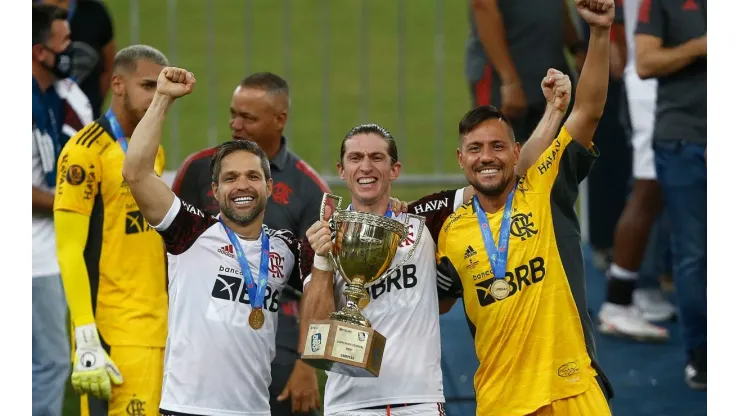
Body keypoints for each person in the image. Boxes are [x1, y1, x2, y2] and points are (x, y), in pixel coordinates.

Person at [298, 69, 573, 416]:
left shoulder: (424, 219)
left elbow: (506, 174)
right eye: (356, 158)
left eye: (377, 157)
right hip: (349, 406)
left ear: (395, 170)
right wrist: (323, 262)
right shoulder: (323, 236)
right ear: (341, 170)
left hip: (420, 402)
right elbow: (313, 335)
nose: (366, 167)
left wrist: (554, 112)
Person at [435, 1, 615, 415]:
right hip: (503, 402)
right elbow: (439, 303)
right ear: (460, 159)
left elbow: (588, 111)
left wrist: (600, 33)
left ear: (517, 154)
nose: (487, 157)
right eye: (475, 149)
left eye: (498, 147)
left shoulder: (545, 189)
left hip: (573, 391)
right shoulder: (451, 231)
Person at [121, 66, 309, 416]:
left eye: (253, 176)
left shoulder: (285, 248)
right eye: (231, 177)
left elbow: (327, 288)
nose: (242, 185)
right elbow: (135, 172)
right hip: (187, 409)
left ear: (269, 188)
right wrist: (162, 97)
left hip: (253, 410)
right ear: (216, 190)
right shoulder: (190, 231)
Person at [171, 72, 325, 415]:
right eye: (233, 113)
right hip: (202, 330)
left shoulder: (308, 189)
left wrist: (307, 364)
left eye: (248, 117)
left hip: (279, 330)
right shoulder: (199, 169)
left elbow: (319, 285)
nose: (235, 124)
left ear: (279, 120)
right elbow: (165, 252)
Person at [54, 44, 170, 416]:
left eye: (162, 88)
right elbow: (69, 250)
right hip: (114, 333)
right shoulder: (84, 153)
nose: (157, 97)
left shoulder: (153, 149)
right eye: (148, 86)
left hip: (160, 327)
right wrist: (85, 335)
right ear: (117, 84)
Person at [635, 0, 707, 390]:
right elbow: (645, 63)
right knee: (694, 252)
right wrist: (702, 46)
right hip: (684, 140)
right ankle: (702, 355)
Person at [596, 0, 674, 342]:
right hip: (655, 82)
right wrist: (613, 40)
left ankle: (633, 291)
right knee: (649, 189)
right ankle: (621, 297)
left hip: (674, 80)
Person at [32, 4, 92, 416]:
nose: (72, 49)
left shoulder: (52, 96)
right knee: (51, 363)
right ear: (39, 51)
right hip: (32, 258)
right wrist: (75, 204)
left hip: (45, 251)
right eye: (64, 42)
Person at [466, 0, 583, 142]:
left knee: (557, 155)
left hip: (551, 70)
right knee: (499, 153)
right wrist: (509, 80)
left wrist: (576, 46)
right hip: (507, 79)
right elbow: (482, 7)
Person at [41, 0, 117, 118]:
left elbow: (109, 65)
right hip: (41, 118)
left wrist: (92, 104)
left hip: (87, 118)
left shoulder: (94, 12)